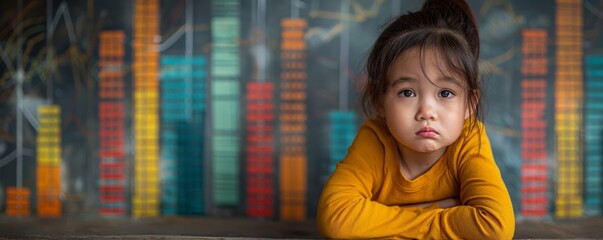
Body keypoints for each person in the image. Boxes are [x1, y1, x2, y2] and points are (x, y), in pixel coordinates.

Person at [316, 0, 515, 239]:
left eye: (445, 93)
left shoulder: (469, 139)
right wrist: (437, 210)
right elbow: (336, 220)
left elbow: (495, 226)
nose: (426, 111)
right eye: (407, 92)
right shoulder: (376, 140)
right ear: (380, 101)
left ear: (469, 105)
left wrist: (388, 218)